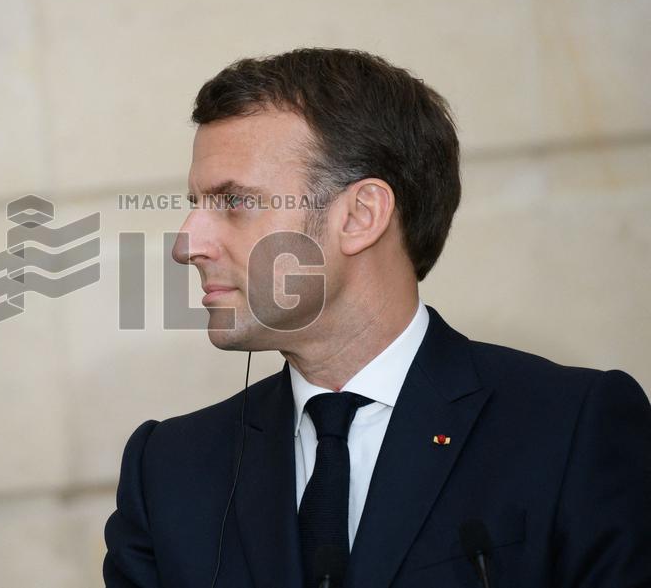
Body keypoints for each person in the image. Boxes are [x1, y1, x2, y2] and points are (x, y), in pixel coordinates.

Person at [102, 48, 651, 588]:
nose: (187, 244)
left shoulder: (569, 429)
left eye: (235, 203)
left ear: (361, 216)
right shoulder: (169, 470)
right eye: (195, 205)